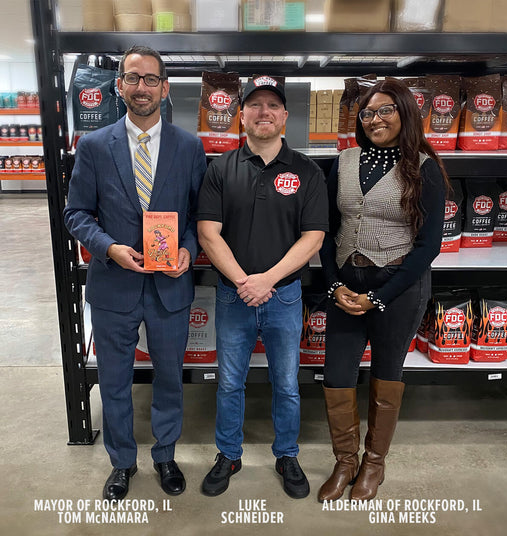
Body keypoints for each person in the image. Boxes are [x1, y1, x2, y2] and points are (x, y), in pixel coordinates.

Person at [63, 45, 206, 500]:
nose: (140, 87)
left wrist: (187, 248)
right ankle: (122, 462)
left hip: (170, 287)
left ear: (165, 89)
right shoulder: (93, 146)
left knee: (168, 377)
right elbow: (77, 214)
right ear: (118, 85)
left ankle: (165, 456)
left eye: (150, 79)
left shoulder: (189, 147)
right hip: (113, 285)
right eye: (132, 78)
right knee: (115, 380)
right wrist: (109, 248)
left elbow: (202, 215)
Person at [196, 75, 328, 498]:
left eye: (272, 105)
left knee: (286, 383)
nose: (263, 112)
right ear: (242, 116)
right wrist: (242, 282)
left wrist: (266, 281)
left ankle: (287, 454)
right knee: (230, 381)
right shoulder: (220, 168)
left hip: (285, 295)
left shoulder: (306, 170)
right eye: (254, 105)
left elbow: (314, 237)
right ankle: (228, 454)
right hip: (233, 295)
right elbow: (207, 233)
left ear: (285, 117)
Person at [317, 78, 447, 501]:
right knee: (337, 376)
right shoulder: (345, 160)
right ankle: (344, 462)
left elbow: (429, 245)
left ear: (405, 113)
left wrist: (379, 296)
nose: (376, 119)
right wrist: (335, 283)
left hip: (398, 286)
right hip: (346, 283)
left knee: (387, 375)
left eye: (386, 110)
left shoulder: (425, 166)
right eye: (369, 112)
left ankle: (374, 464)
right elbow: (328, 231)